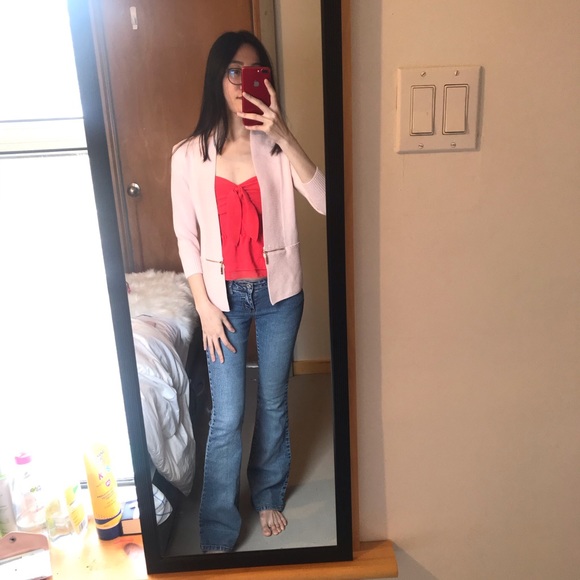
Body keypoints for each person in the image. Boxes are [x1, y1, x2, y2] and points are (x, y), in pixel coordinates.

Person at [171, 30, 326, 553]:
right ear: (218, 79)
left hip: (279, 295)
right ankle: (218, 526)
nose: (242, 82)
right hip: (223, 301)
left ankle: (267, 493)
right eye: (233, 71)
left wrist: (284, 133)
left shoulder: (276, 147)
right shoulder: (187, 156)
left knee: (274, 400)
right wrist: (204, 308)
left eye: (253, 71)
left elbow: (326, 201)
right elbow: (187, 239)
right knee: (228, 415)